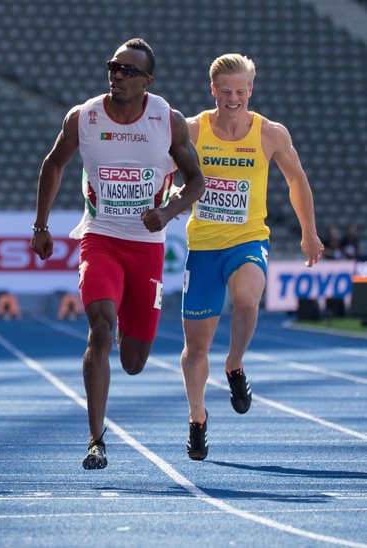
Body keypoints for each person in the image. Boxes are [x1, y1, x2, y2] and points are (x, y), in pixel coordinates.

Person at [30, 38, 205, 470]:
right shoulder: (84, 117)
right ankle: (95, 440)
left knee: (133, 361)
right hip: (101, 238)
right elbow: (53, 164)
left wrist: (166, 213)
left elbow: (197, 182)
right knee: (100, 328)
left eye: (129, 71)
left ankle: (130, 326)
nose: (117, 76)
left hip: (146, 248)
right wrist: (41, 226)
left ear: (148, 81)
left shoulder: (169, 121)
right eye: (113, 67)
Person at [179, 53, 324, 461]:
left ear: (251, 90)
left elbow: (297, 179)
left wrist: (308, 232)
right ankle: (197, 419)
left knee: (246, 300)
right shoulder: (192, 129)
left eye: (241, 91)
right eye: (226, 91)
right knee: (195, 348)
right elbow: (160, 170)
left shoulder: (269, 133)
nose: (233, 98)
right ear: (213, 90)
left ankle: (235, 365)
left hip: (248, 239)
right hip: (204, 247)